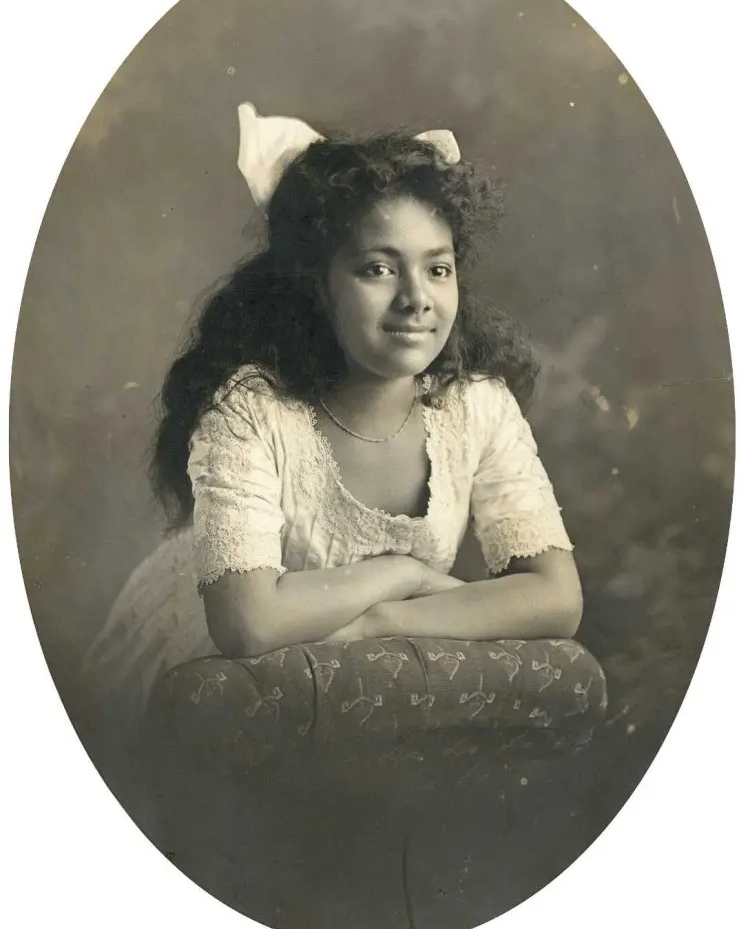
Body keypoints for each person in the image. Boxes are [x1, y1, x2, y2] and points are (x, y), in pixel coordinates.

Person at [83, 102, 582, 729]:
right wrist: (399, 573)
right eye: (378, 268)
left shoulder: (475, 404)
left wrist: (383, 619)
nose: (416, 299)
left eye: (437, 269)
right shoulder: (252, 409)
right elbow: (247, 622)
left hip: (358, 665)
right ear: (317, 286)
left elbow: (557, 600)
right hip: (202, 656)